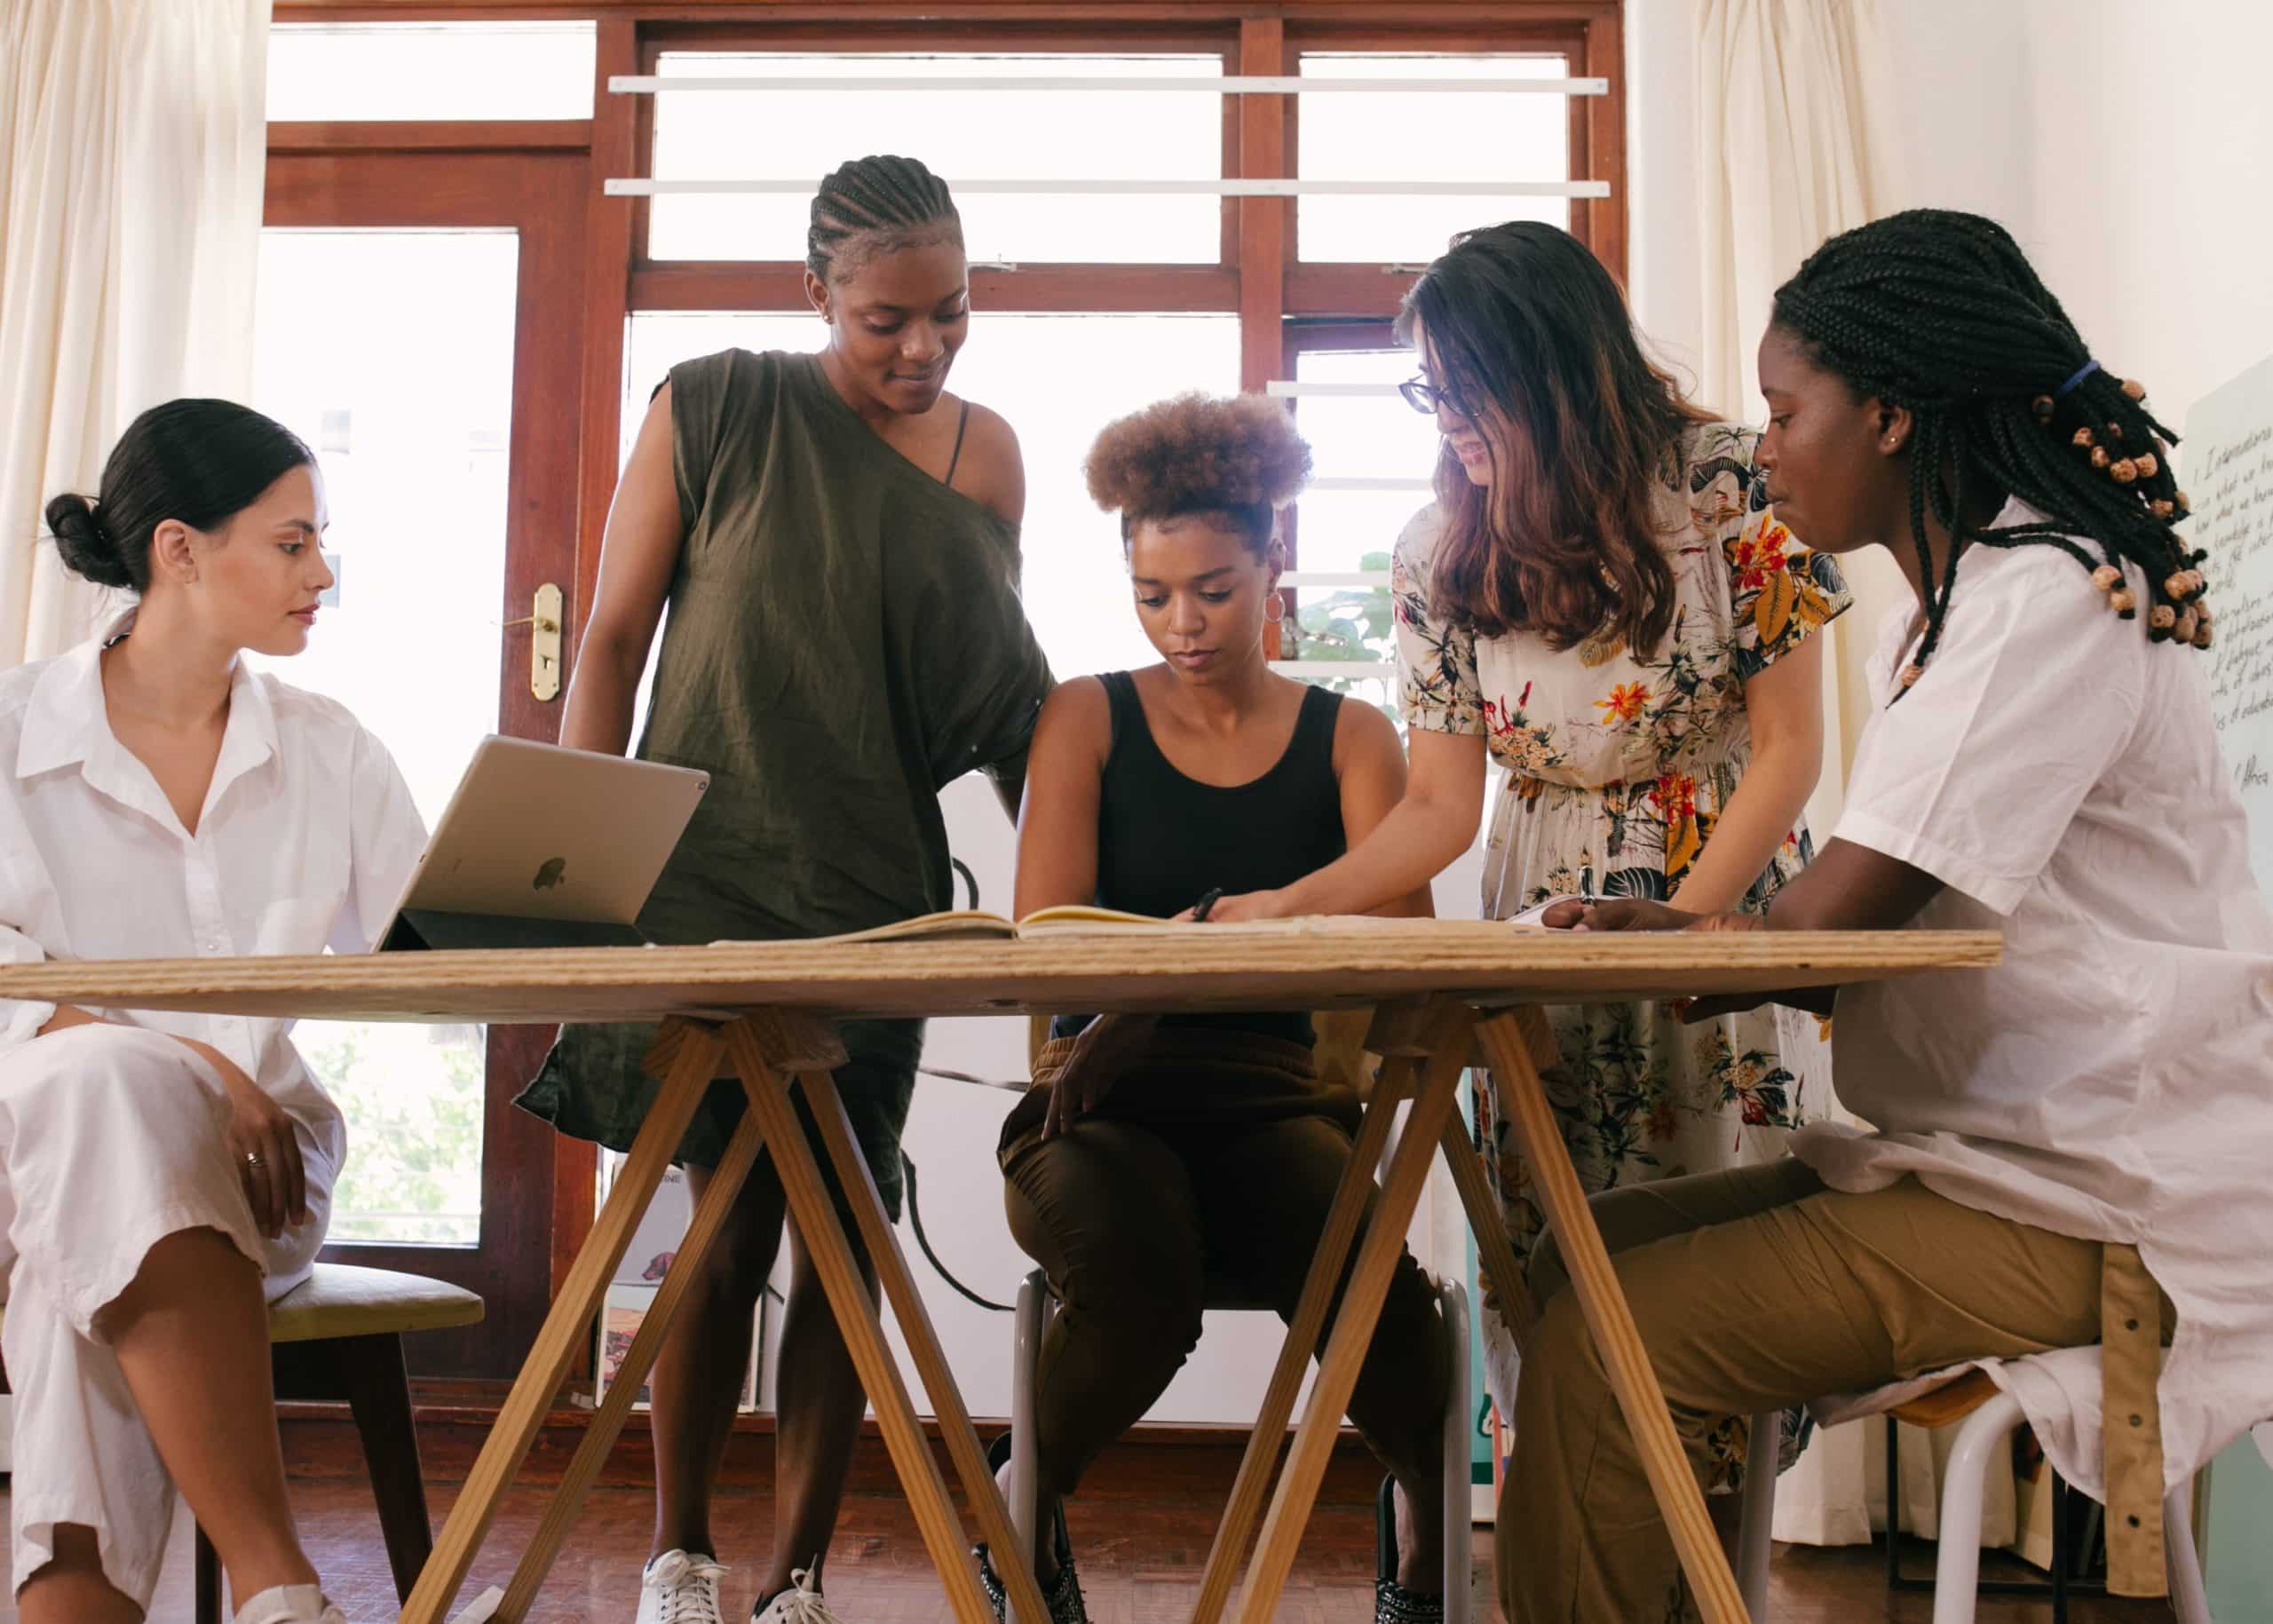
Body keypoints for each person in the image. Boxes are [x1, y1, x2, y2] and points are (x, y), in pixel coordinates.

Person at [1501, 208, 2273, 1621]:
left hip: (2102, 1197)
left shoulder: (2045, 595)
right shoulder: (1984, 599)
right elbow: (1859, 930)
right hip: (2005, 1158)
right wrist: (1713, 938)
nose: (1770, 444)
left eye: (1791, 411)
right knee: (1578, 1255)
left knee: (1613, 1337)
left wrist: (1693, 942)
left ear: (1896, 412)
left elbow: (1843, 918)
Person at [1195, 221, 1851, 1496]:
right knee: (1550, 1263)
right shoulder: (1439, 553)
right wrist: (1289, 901)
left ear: (1550, 365)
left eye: (1462, 388)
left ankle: (1722, 1575)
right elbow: (1438, 807)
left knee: (1731, 1277)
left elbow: (1786, 753)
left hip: (1710, 906)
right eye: (1427, 392)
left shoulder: (1731, 483)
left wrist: (1677, 937)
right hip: (1543, 920)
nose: (1446, 423)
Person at [515, 154, 1052, 1624]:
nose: (923, 345)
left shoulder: (987, 456)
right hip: (707, 875)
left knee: (843, 1230)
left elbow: (1008, 703)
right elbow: (614, 637)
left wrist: (1078, 902)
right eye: (886, 317)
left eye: (949, 311)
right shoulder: (715, 402)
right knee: (725, 1216)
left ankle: (798, 1575)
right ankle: (676, 1558)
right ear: (813, 293)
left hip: (876, 893)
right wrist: (574, 866)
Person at [991, 393, 1449, 1624]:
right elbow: (1050, 960)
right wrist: (1204, 949)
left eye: (1213, 589)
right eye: (1153, 595)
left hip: (1276, 1105)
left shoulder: (1355, 737)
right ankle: (1013, 1506)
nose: (1183, 625)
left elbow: (1400, 954)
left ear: (1273, 564)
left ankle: (1416, 1536)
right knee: (1143, 1279)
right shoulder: (1084, 717)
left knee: (1396, 1325)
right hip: (1097, 1108)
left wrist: (1188, 955)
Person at [0, 400, 425, 1624]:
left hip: (257, 1177)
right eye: (292, 543)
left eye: (319, 542)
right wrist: (192, 1063)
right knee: (103, 1097)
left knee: (74, 1259)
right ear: (180, 549)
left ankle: (266, 1590)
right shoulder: (14, 735)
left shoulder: (331, 750)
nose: (323, 574)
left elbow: (430, 954)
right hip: (29, 1151)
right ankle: (278, 1582)